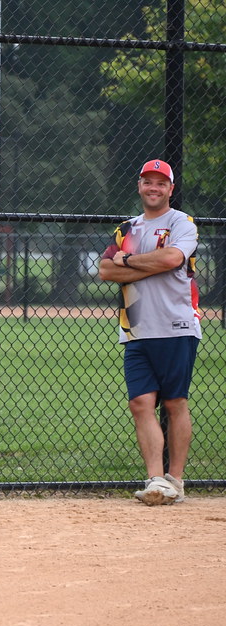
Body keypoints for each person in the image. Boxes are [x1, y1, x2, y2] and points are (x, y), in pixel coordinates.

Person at [98, 159, 200, 506]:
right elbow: (105, 271)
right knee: (140, 403)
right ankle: (156, 479)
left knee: (174, 402)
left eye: (161, 183)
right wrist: (142, 264)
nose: (153, 188)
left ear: (170, 189)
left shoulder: (181, 222)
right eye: (148, 182)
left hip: (176, 325)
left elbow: (172, 259)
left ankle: (177, 479)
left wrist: (126, 262)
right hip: (137, 328)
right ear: (139, 185)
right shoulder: (127, 228)